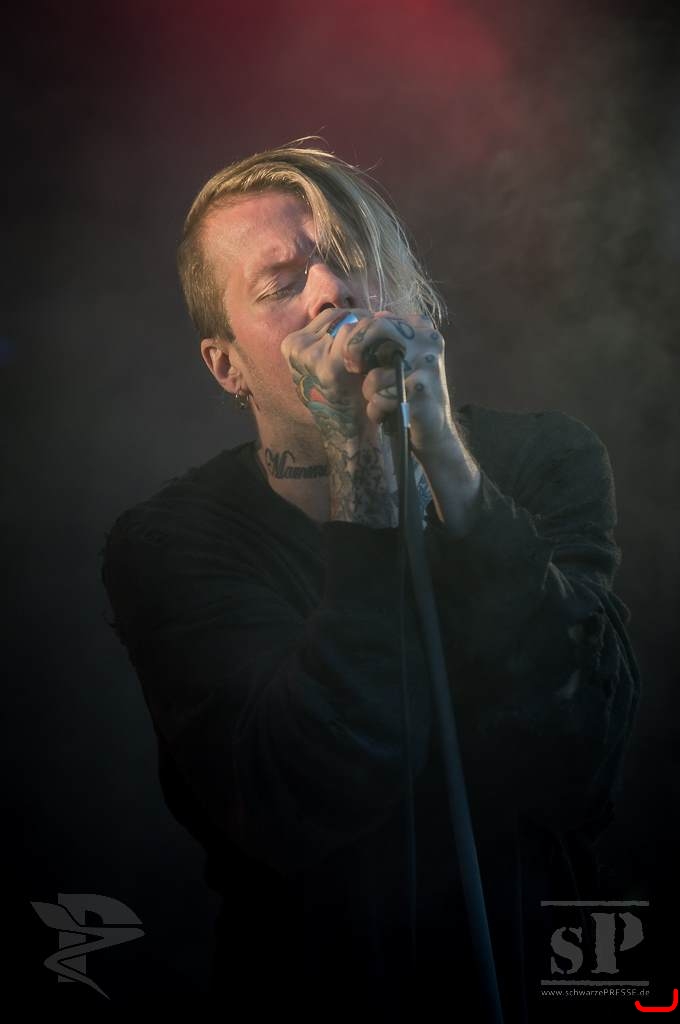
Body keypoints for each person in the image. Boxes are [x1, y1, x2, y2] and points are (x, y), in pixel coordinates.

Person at [101, 142, 640, 1022]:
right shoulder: (174, 543)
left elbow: (582, 757)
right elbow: (310, 792)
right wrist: (358, 450)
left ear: (411, 296)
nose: (330, 293)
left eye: (352, 261)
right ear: (226, 365)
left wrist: (447, 466)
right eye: (281, 284)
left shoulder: (547, 459)